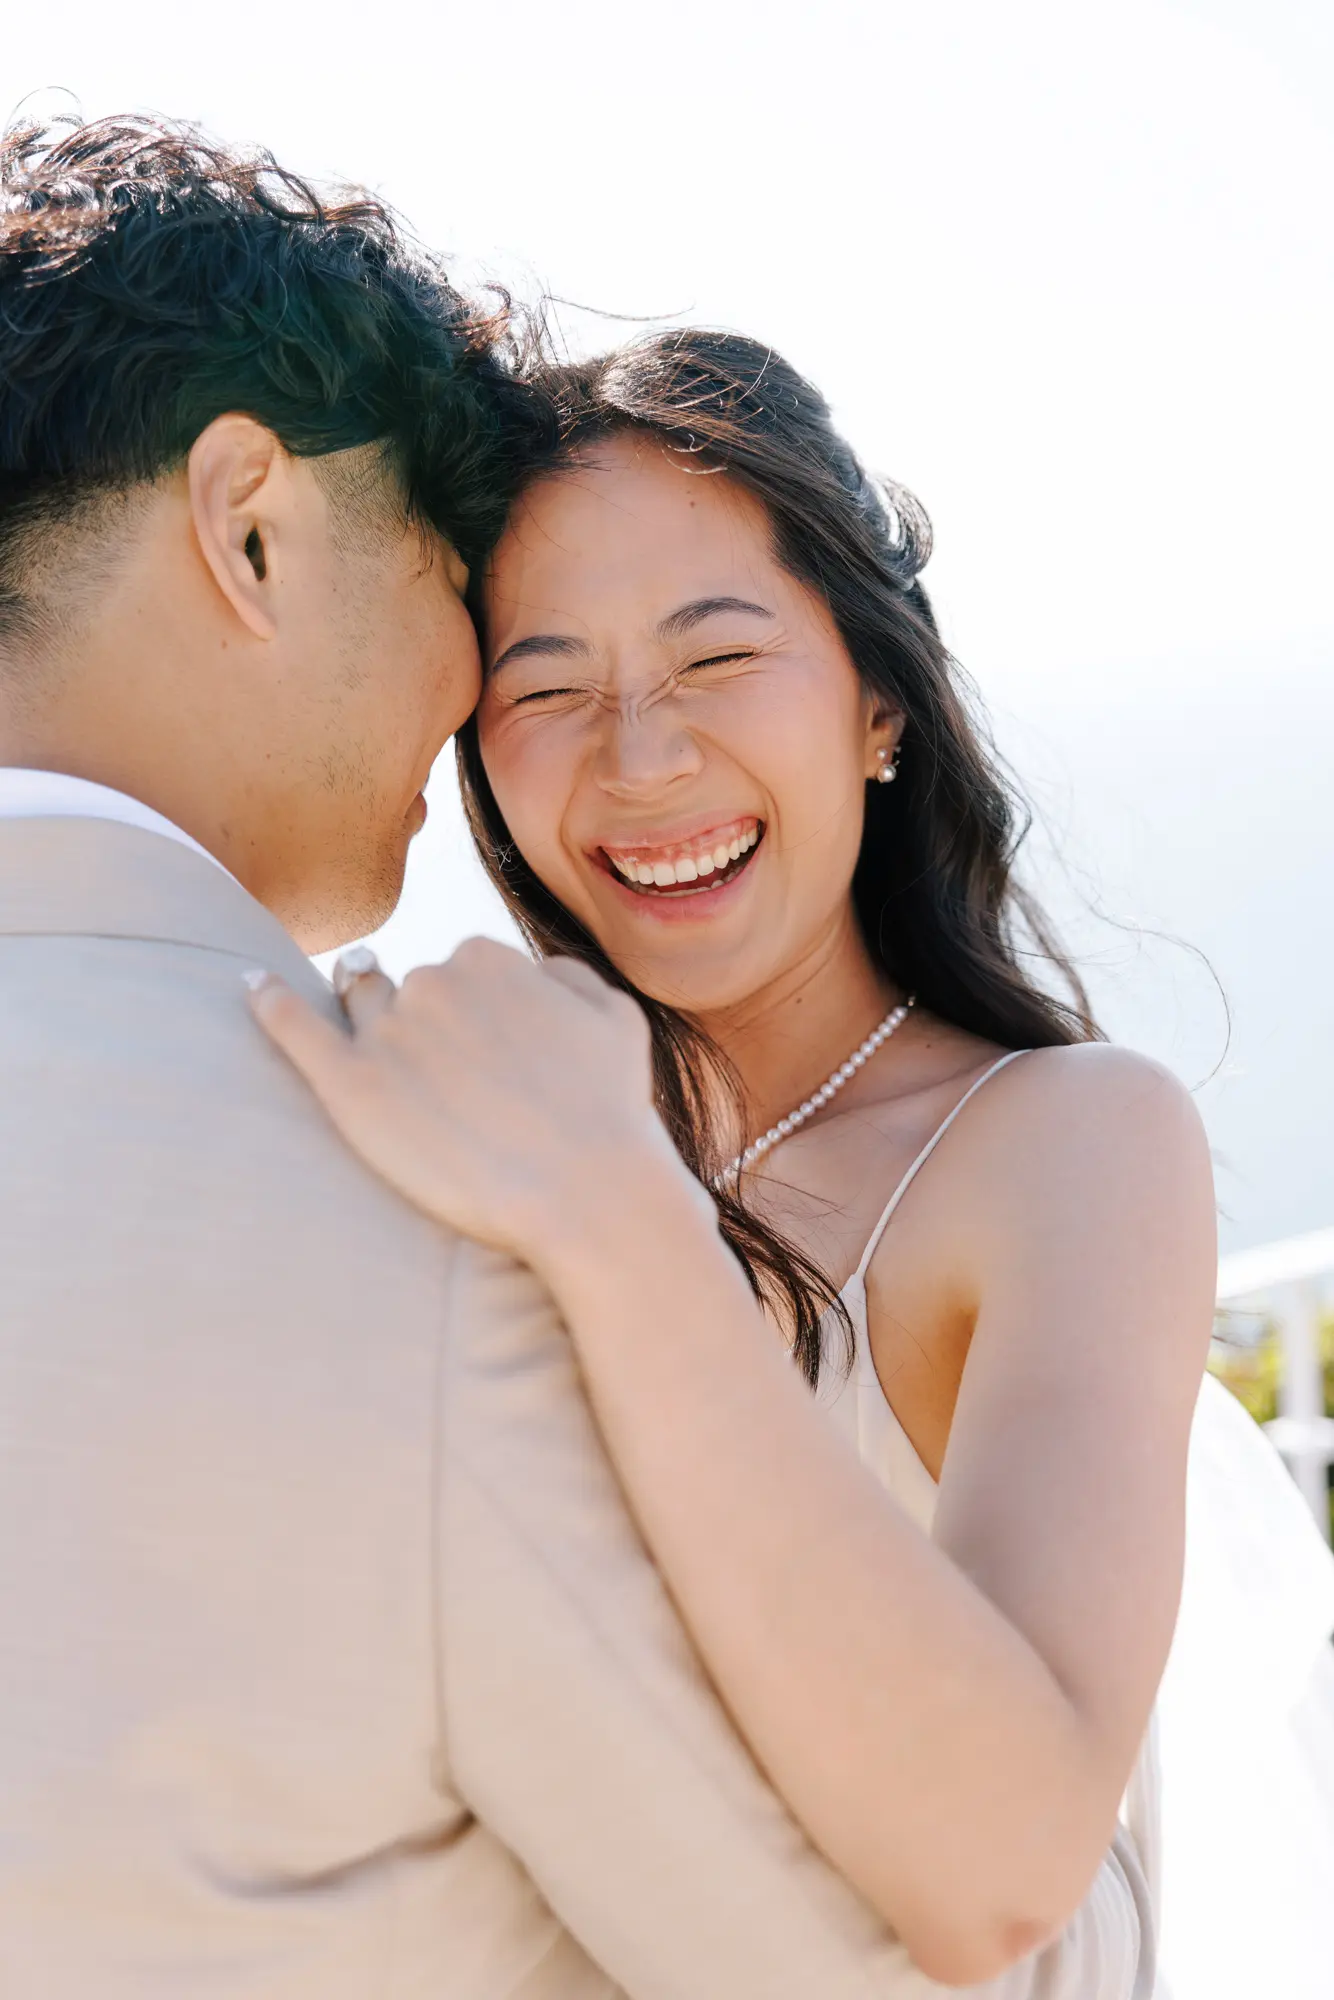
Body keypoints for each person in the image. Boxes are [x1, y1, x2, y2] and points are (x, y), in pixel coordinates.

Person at [0, 116, 1078, 2000]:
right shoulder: (405, 1217)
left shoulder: (1053, 1141)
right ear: (252, 527)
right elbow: (917, 1961)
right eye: (481, 617)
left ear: (878, 698)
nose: (469, 698)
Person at [254, 329, 1334, 1998]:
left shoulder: (1062, 1146)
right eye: (547, 688)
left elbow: (998, 1875)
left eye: (715, 657)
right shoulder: (470, 1115)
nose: (642, 758)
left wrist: (613, 1218)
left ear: (877, 702)